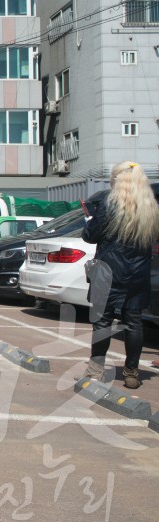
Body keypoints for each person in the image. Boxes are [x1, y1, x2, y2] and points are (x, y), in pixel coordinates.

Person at [82, 161, 159, 389]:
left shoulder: (108, 204)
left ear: (117, 181)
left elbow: (90, 236)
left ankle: (95, 370)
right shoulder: (150, 207)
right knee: (133, 322)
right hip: (138, 272)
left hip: (108, 270)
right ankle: (131, 372)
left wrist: (88, 221)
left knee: (102, 321)